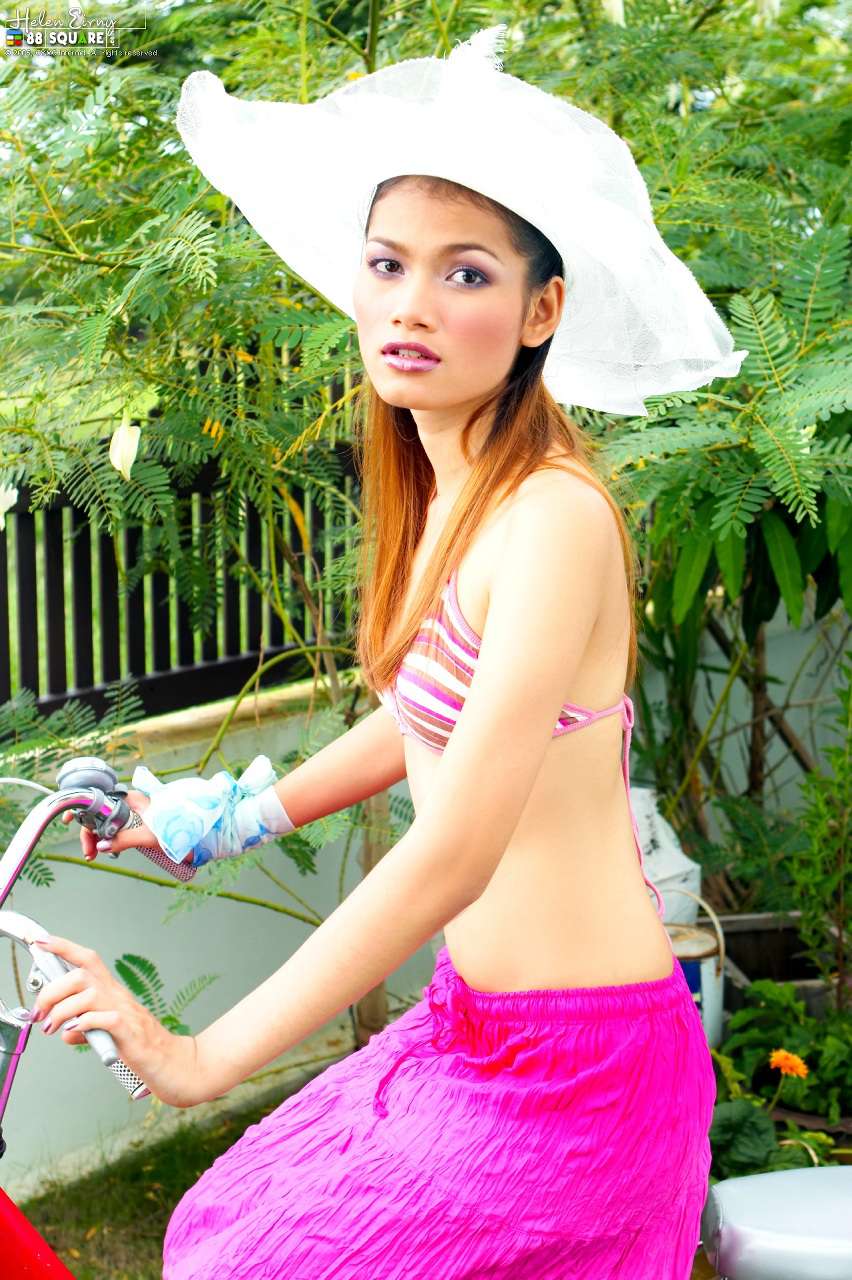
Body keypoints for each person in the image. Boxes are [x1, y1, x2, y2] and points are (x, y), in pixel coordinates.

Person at [33, 26, 744, 1278]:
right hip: (474, 1021)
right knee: (214, 1230)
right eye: (388, 262)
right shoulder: (450, 493)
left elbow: (457, 845)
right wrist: (222, 813)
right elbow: (429, 711)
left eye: (465, 273)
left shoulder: (555, 515)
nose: (413, 304)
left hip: (586, 1073)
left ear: (542, 310)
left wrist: (202, 1057)